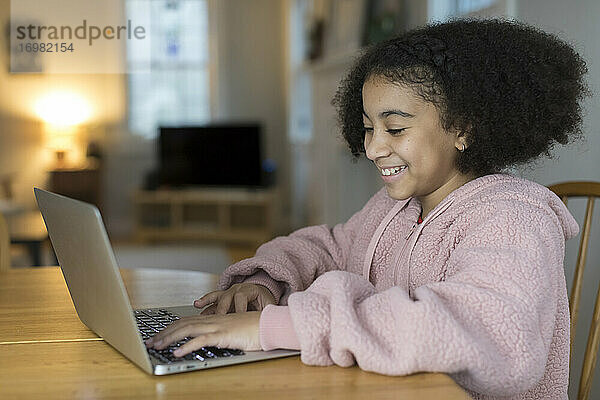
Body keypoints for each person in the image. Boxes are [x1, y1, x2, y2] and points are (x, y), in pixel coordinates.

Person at [146, 18, 588, 399]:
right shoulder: (394, 207)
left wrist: (278, 329)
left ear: (464, 128)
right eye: (367, 127)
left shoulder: (513, 218)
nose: (374, 148)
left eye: (395, 128)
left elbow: (493, 334)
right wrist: (264, 282)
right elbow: (330, 247)